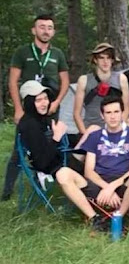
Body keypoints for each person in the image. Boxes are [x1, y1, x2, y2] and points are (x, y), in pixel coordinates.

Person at [14, 81, 104, 229]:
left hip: (63, 158)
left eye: (45, 98)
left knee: (93, 129)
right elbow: (42, 161)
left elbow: (50, 148)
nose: (44, 103)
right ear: (30, 102)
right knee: (83, 160)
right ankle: (95, 215)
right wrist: (56, 137)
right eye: (38, 100)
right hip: (56, 167)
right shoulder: (30, 125)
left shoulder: (39, 119)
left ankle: (103, 173)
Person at [3, 14, 70, 200]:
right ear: (34, 30)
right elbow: (13, 80)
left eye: (49, 27)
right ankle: (7, 191)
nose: (45, 31)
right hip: (30, 109)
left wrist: (56, 102)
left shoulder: (57, 54)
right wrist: (18, 108)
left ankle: (47, 180)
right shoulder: (23, 52)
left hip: (50, 108)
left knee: (51, 143)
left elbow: (65, 81)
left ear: (53, 31)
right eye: (42, 27)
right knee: (20, 149)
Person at [82, 96, 129, 216]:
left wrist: (113, 187)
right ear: (102, 115)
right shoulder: (94, 136)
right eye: (108, 112)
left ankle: (119, 217)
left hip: (124, 181)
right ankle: (94, 217)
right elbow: (88, 171)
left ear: (122, 113)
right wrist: (106, 187)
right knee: (64, 174)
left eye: (116, 112)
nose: (112, 116)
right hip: (99, 181)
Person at [74, 43, 129, 136]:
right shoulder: (84, 80)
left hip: (115, 129)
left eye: (108, 58)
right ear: (95, 60)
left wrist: (119, 128)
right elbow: (77, 113)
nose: (105, 61)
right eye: (101, 58)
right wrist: (84, 133)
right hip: (91, 129)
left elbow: (127, 108)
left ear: (112, 60)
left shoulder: (121, 78)